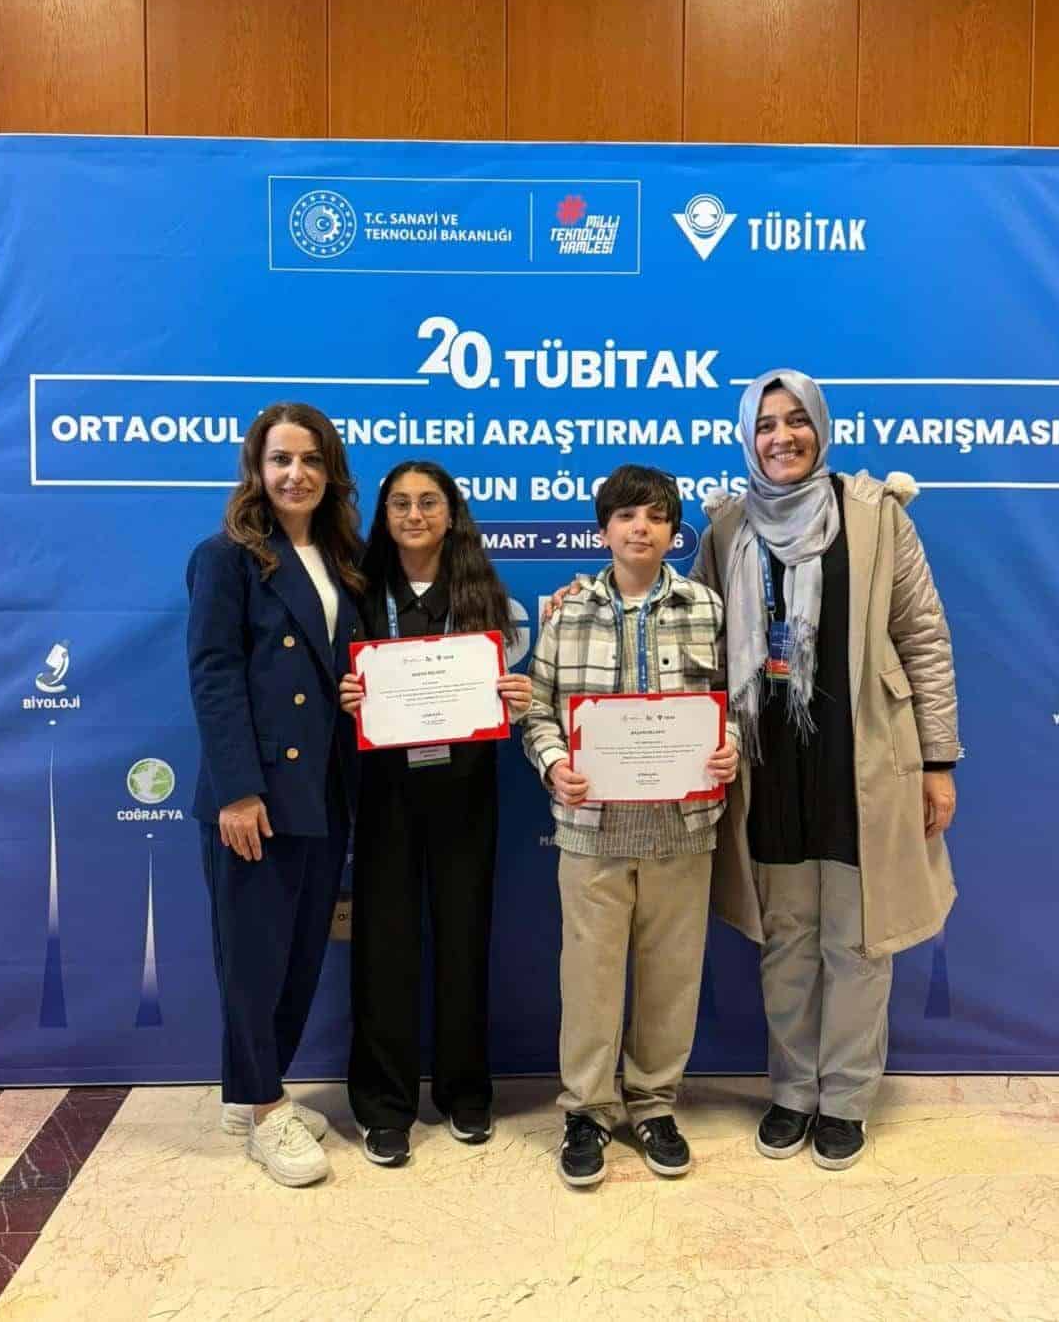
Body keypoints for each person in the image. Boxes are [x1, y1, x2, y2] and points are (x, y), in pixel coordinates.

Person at [698, 370, 960, 1170]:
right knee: (786, 938)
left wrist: (937, 759)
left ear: (819, 426)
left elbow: (922, 636)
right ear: (747, 439)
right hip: (767, 761)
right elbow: (695, 635)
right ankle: (791, 1092)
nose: (781, 436)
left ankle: (843, 1098)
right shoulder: (727, 527)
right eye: (764, 425)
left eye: (795, 420)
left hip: (860, 756)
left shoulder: (876, 516)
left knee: (856, 936)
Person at [523, 465, 739, 1187]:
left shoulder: (707, 607)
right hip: (592, 829)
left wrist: (728, 745)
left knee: (671, 975)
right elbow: (537, 710)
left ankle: (653, 1103)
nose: (640, 528)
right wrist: (555, 763)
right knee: (588, 976)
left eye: (654, 517)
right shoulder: (567, 614)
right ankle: (587, 1110)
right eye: (625, 516)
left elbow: (734, 702)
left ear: (674, 532)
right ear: (603, 531)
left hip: (682, 827)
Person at [187, 402, 365, 1188]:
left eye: (311, 460)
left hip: (324, 788)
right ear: (256, 471)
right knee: (253, 960)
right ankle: (264, 1112)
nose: (296, 474)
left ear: (331, 472)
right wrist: (236, 791)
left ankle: (254, 1096)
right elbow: (214, 675)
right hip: (257, 794)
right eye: (281, 459)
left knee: (297, 958)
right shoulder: (225, 557)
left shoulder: (343, 558)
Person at [338, 460, 532, 1167]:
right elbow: (333, 682)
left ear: (451, 513)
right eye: (400, 503)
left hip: (465, 788)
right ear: (383, 515)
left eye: (428, 502)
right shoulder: (358, 592)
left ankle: (465, 1092)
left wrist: (516, 698)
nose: (414, 515)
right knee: (383, 945)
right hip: (384, 790)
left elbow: (503, 689)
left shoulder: (483, 594)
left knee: (463, 940)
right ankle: (384, 1105)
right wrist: (345, 699)